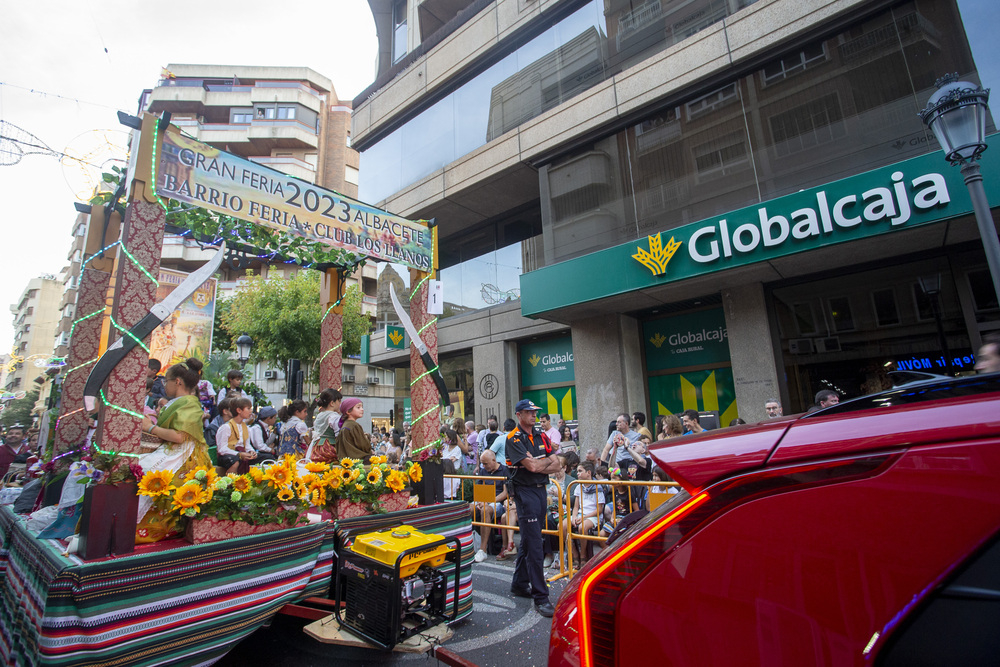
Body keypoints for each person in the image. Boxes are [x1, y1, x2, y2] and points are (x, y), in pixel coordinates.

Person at [137, 361, 214, 543]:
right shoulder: (181, 402)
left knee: (146, 474)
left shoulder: (190, 404)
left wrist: (150, 428)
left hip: (185, 455)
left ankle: (142, 528)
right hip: (172, 450)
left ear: (177, 381)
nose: (165, 385)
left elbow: (180, 437)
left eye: (167, 381)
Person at [504, 398, 561, 617]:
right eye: (528, 412)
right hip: (524, 492)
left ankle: (519, 583)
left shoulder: (542, 435)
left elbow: (556, 464)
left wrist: (541, 463)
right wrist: (543, 462)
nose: (533, 415)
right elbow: (534, 465)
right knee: (536, 543)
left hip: (540, 491)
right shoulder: (513, 438)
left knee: (529, 539)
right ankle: (541, 596)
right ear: (519, 415)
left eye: (534, 411)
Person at [472, 449, 511, 563]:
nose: (484, 466)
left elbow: (505, 493)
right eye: (482, 463)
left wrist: (488, 502)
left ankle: (482, 549)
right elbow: (478, 489)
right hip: (484, 500)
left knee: (486, 510)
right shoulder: (483, 471)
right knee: (466, 508)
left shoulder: (504, 470)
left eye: (486, 463)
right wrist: (480, 501)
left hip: (497, 502)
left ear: (494, 460)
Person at [562, 461, 604, 568]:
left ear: (588, 472)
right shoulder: (578, 486)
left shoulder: (597, 487)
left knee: (582, 527)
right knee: (562, 525)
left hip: (592, 516)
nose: (578, 474)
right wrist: (574, 517)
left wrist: (584, 517)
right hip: (580, 514)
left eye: (580, 471)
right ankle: (574, 554)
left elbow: (599, 509)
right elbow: (576, 506)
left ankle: (583, 555)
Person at [215, 397, 257, 474]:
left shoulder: (246, 428)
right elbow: (221, 449)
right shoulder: (226, 427)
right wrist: (239, 454)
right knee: (235, 460)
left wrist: (251, 451)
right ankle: (231, 481)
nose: (251, 411)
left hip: (241, 453)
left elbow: (247, 445)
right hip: (228, 455)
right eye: (248, 408)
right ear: (239, 410)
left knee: (262, 457)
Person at [310, 388, 343, 461]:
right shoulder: (334, 416)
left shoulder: (320, 415)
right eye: (339, 401)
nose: (340, 404)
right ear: (332, 403)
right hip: (328, 445)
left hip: (317, 445)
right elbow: (338, 434)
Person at [441, 429, 464, 500]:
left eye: (446, 436)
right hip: (443, 472)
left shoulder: (457, 449)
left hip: (451, 473)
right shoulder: (444, 447)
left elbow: (450, 460)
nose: (444, 438)